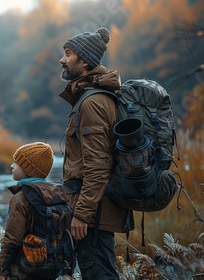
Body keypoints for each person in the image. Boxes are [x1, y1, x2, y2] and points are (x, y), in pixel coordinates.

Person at [58, 27, 133, 279]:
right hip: (96, 211)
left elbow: (98, 166)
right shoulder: (96, 97)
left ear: (85, 61)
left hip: (93, 216)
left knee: (99, 274)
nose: (62, 60)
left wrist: (81, 214)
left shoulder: (91, 103)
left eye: (68, 54)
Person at [0, 142, 56, 280]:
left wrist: (3, 270)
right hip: (52, 265)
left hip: (25, 268)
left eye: (16, 162)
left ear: (29, 169)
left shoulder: (20, 198)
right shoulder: (55, 193)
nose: (12, 165)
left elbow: (12, 239)